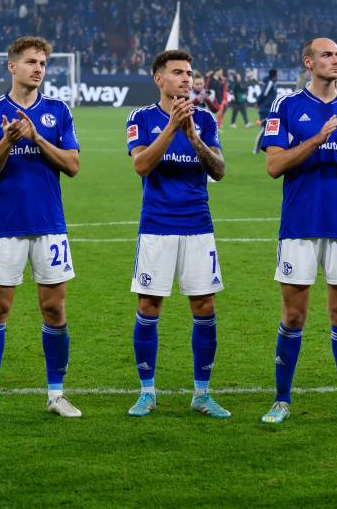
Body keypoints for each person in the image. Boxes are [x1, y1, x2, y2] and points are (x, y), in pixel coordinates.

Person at [259, 38, 337, 425]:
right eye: (327, 55)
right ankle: (281, 400)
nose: (335, 60)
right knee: (294, 317)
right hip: (299, 226)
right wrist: (316, 139)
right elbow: (274, 166)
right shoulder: (287, 106)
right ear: (308, 62)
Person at [0, 36, 81, 420]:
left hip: (50, 225)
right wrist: (7, 141)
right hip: (7, 226)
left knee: (54, 309)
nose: (38, 68)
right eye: (31, 61)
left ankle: (56, 394)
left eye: (43, 63)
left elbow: (72, 164)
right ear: (11, 66)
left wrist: (36, 138)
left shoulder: (58, 111)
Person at [125, 49, 229, 419]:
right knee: (149, 307)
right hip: (157, 226)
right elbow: (141, 165)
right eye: (178, 73)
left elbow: (218, 170)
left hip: (198, 226)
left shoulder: (204, 119)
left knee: (204, 307)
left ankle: (202, 394)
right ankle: (146, 392)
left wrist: (194, 137)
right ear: (159, 78)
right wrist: (172, 128)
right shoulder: (141, 118)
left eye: (189, 73)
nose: (187, 79)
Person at [253, 68, 278, 154]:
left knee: (268, 129)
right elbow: (264, 94)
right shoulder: (270, 83)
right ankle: (256, 148)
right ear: (275, 75)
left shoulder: (272, 83)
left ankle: (264, 148)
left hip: (269, 108)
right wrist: (258, 102)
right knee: (265, 128)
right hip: (265, 108)